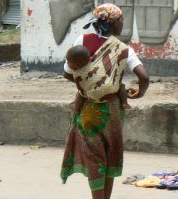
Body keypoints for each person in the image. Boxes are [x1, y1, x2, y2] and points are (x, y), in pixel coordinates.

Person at [60, 3, 149, 199]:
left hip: (88, 110)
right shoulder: (124, 49)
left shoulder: (81, 40)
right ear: (114, 23)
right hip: (112, 112)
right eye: (122, 20)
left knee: (94, 159)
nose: (123, 24)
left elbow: (68, 73)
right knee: (110, 156)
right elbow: (144, 77)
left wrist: (87, 82)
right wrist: (140, 93)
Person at [66, 45, 131, 113]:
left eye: (68, 61)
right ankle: (125, 103)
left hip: (94, 97)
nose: (67, 63)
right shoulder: (96, 61)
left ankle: (76, 108)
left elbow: (80, 87)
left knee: (79, 94)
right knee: (121, 85)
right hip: (110, 92)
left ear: (78, 65)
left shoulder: (77, 74)